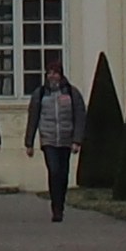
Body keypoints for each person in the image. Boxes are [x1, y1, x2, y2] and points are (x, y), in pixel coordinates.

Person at [27, 62, 85, 218]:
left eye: (55, 73)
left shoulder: (72, 93)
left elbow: (80, 116)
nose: (52, 76)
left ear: (61, 75)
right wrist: (29, 143)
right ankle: (56, 207)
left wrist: (77, 140)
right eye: (49, 73)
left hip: (66, 138)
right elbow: (33, 117)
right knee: (54, 170)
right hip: (48, 138)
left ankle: (61, 202)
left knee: (63, 173)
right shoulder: (40, 94)